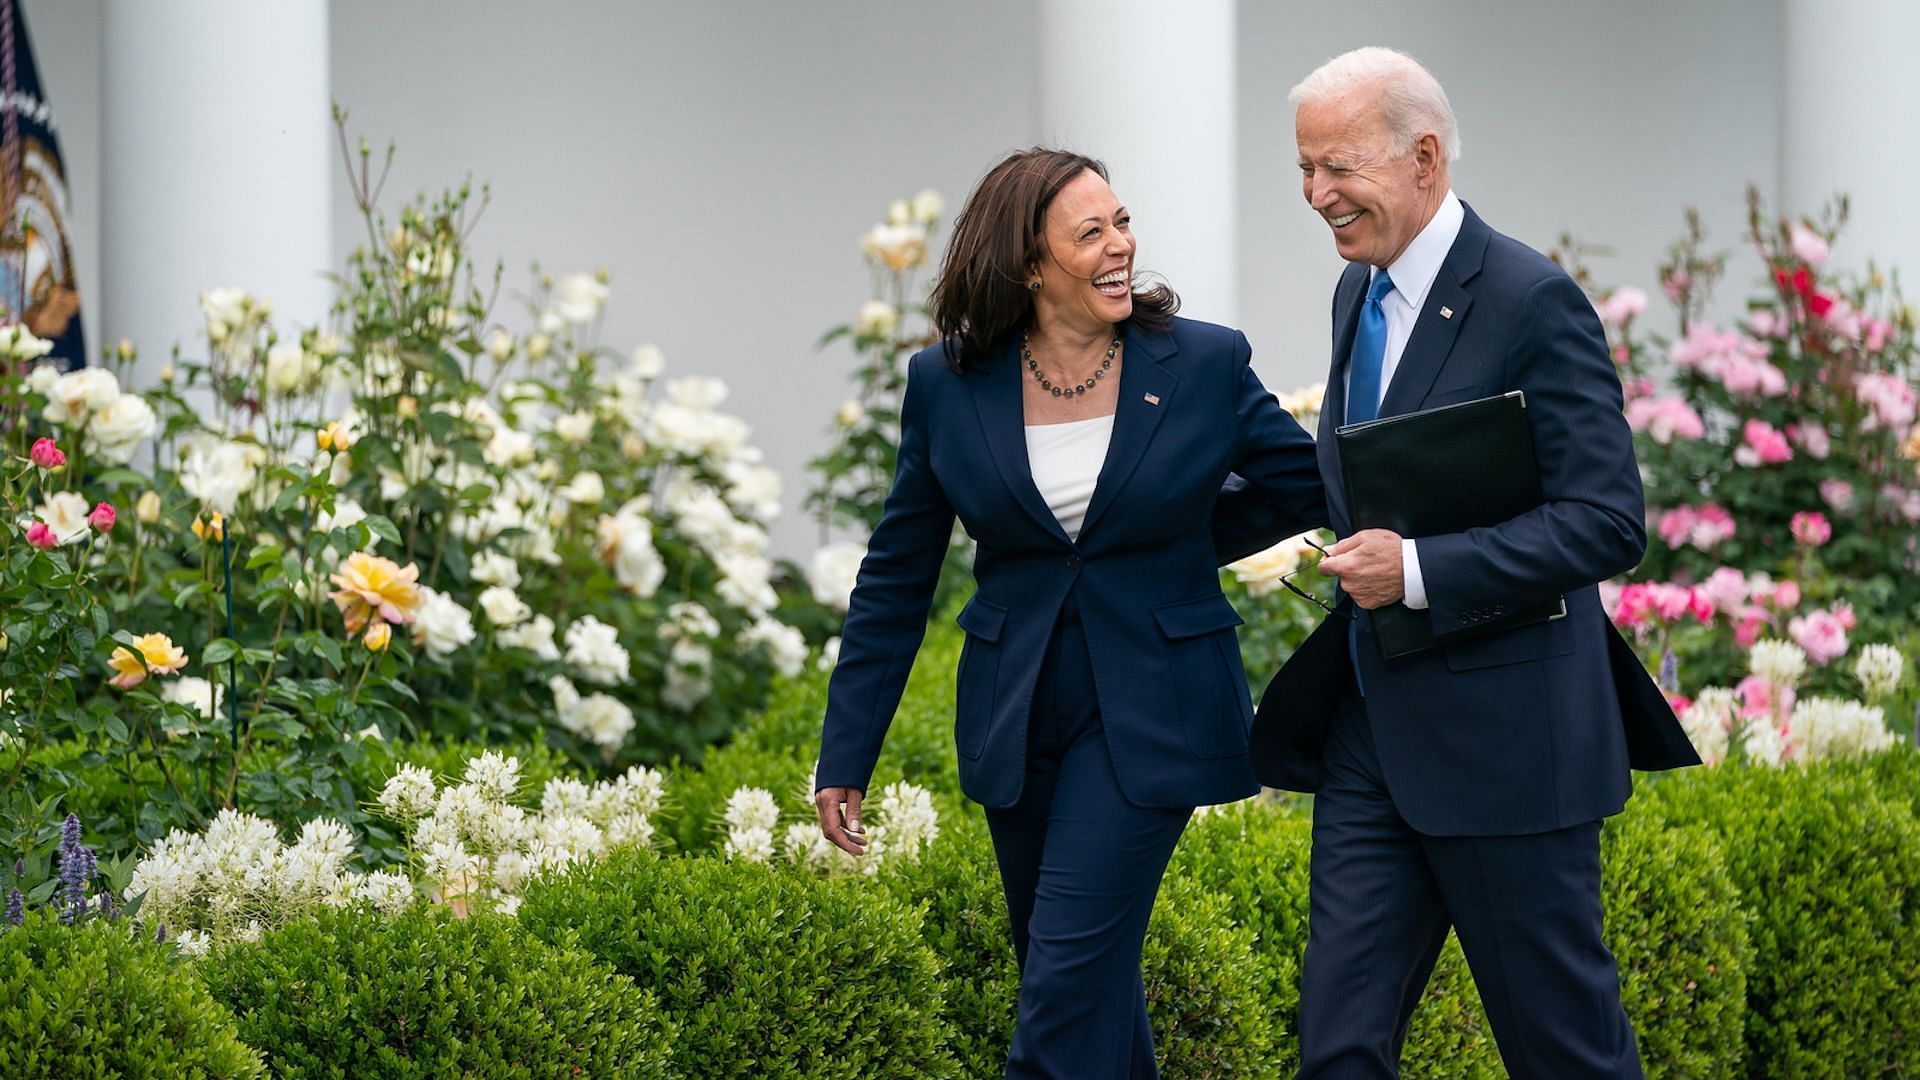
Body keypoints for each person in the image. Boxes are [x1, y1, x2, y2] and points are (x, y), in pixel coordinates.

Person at [813, 147, 1324, 1078]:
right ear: (1027, 264)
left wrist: (1179, 546)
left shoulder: (1202, 361)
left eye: (1122, 222)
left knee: (1059, 996)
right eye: (1091, 232)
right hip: (1018, 712)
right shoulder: (947, 382)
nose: (1120, 245)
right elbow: (896, 578)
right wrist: (846, 753)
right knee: (1082, 988)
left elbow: (1305, 485)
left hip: (1153, 709)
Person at [1242, 47, 1700, 1078]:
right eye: (1304, 169)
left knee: (1564, 1054)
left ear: (1424, 157)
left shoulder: (1533, 300)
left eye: (1338, 168)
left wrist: (1417, 570)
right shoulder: (1354, 297)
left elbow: (1604, 520)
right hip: (1372, 734)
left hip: (1511, 748)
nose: (1317, 194)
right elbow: (1359, 476)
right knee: (1338, 1049)